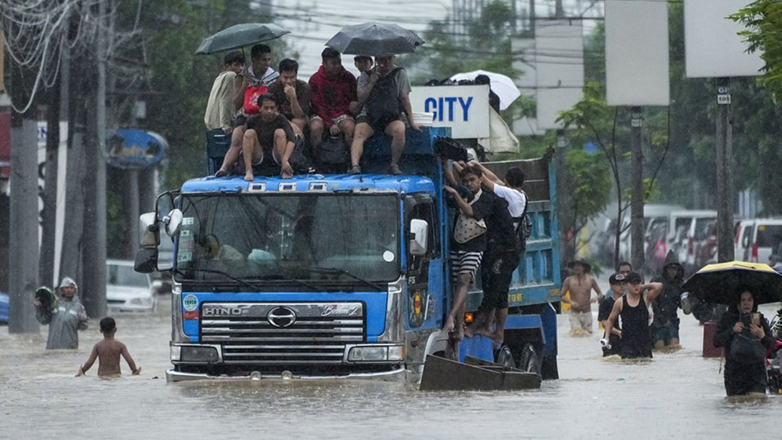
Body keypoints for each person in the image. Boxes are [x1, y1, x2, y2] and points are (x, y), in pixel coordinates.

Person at [463, 161, 527, 344]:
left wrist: (471, 168)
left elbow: (487, 181)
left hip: (504, 251)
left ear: (507, 181)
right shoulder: (519, 194)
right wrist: (478, 166)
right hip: (508, 250)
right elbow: (494, 179)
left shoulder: (509, 195)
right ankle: (494, 330)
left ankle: (477, 327)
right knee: (501, 294)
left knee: (494, 292)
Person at [442, 163, 494, 339]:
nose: (469, 183)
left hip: (475, 246)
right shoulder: (464, 193)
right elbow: (453, 182)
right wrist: (445, 166)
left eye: (472, 180)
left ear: (480, 180)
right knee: (459, 285)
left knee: (465, 279)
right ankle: (459, 327)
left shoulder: (486, 198)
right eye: (466, 181)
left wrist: (456, 194)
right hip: (458, 244)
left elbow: (469, 211)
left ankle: (451, 317)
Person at [349, 54, 421, 175]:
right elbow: (360, 98)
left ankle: (394, 164)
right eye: (382, 59)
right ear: (377, 60)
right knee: (359, 132)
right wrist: (372, 82)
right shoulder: (366, 75)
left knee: (400, 129)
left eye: (389, 59)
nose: (386, 62)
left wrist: (411, 121)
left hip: (391, 115)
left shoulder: (400, 73)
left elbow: (404, 98)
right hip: (369, 115)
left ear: (393, 58)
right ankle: (355, 165)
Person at [214, 44, 279, 177]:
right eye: (263, 60)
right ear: (254, 60)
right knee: (237, 135)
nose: (266, 64)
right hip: (247, 115)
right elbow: (236, 104)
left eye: (268, 60)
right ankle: (224, 167)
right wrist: (245, 84)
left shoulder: (274, 77)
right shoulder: (242, 77)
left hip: (267, 115)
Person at [713, 288, 774, 396]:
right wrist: (732, 330)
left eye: (750, 300)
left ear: (754, 302)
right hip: (734, 375)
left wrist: (762, 335)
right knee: (737, 407)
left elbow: (771, 344)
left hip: (757, 374)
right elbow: (716, 342)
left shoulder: (759, 318)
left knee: (756, 404)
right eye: (743, 300)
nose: (746, 303)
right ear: (738, 302)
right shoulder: (728, 318)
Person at [603, 272, 662, 359]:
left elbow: (659, 286)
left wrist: (644, 286)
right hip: (627, 343)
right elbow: (610, 320)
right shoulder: (620, 302)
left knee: (646, 365)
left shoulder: (646, 298)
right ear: (627, 285)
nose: (636, 286)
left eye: (638, 283)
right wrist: (607, 337)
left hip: (644, 342)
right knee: (628, 365)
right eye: (633, 284)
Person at [309, 48, 357, 150]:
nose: (337, 66)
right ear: (324, 64)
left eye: (339, 62)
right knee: (315, 127)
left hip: (342, 114)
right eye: (333, 63)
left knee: (350, 127)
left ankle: (351, 160)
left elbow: (353, 99)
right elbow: (316, 105)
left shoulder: (348, 77)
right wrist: (329, 123)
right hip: (321, 114)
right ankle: (315, 159)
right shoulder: (315, 79)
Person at [241, 94, 297, 181]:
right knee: (249, 133)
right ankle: (249, 170)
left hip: (277, 155)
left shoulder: (281, 119)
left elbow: (292, 140)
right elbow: (245, 138)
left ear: (276, 108)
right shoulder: (252, 120)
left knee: (280, 132)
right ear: (260, 108)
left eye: (272, 108)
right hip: (259, 155)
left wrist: (285, 160)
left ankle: (284, 169)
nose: (269, 111)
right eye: (266, 108)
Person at [34, 277, 89, 349]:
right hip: (53, 347)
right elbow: (44, 320)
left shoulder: (79, 307)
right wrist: (39, 309)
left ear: (75, 290)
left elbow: (83, 327)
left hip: (70, 348)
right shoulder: (54, 304)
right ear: (61, 290)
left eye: (71, 288)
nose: (69, 290)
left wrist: (84, 321)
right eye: (66, 288)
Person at [204, 51, 245, 136]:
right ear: (227, 66)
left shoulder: (219, 77)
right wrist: (225, 124)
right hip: (220, 125)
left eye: (242, 65)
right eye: (236, 65)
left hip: (211, 123)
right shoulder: (230, 75)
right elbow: (225, 100)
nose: (240, 68)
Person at [650, 250, 684, 351]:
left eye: (675, 268)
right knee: (659, 348)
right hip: (657, 322)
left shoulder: (680, 284)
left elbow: (683, 306)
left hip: (672, 320)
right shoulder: (657, 281)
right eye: (670, 268)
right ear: (666, 268)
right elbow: (652, 301)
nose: (673, 271)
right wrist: (662, 318)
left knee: (674, 347)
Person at [559, 259, 603, 335]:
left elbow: (600, 294)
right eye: (575, 266)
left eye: (579, 266)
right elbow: (561, 296)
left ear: (584, 268)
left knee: (588, 334)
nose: (576, 268)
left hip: (587, 313)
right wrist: (570, 302)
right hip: (574, 313)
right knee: (576, 333)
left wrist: (595, 299)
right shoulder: (568, 280)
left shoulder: (591, 280)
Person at [268, 58, 310, 136]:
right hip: (279, 117)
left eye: (292, 77)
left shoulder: (304, 87)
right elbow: (273, 112)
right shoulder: (273, 88)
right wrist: (289, 123)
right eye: (285, 77)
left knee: (297, 121)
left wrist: (293, 97)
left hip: (299, 117)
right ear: (280, 76)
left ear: (296, 75)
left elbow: (300, 115)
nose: (289, 81)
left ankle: (298, 146)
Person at [598, 273, 626, 357]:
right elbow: (604, 322)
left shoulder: (629, 301)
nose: (621, 286)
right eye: (618, 284)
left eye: (623, 284)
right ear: (611, 286)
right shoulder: (605, 303)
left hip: (626, 338)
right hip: (611, 338)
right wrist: (618, 332)